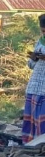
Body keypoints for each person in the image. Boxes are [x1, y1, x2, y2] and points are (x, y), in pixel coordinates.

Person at [23, 13, 45, 143]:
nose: (44, 33)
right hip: (35, 87)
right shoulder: (40, 42)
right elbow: (30, 65)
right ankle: (31, 147)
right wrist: (34, 58)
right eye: (43, 31)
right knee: (32, 122)